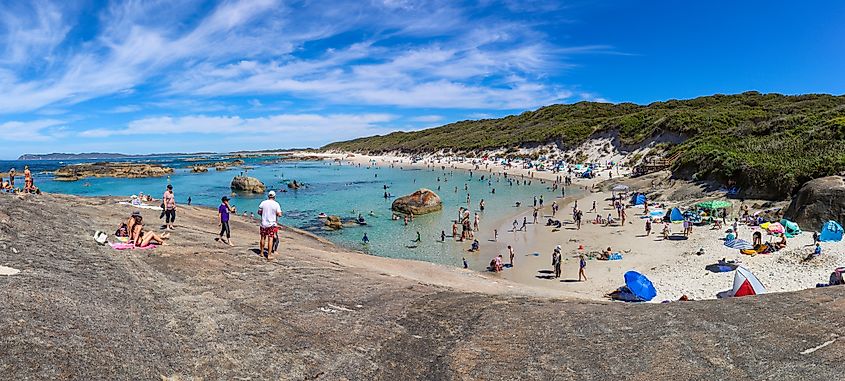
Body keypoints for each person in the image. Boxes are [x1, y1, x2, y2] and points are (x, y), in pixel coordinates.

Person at [257, 190, 283, 259]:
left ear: (268, 196)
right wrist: (276, 213)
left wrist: (264, 214)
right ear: (274, 196)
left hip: (263, 223)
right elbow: (280, 214)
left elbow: (259, 212)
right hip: (271, 224)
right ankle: (269, 255)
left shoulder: (263, 203)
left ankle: (262, 252)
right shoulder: (276, 204)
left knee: (262, 238)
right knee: (270, 238)